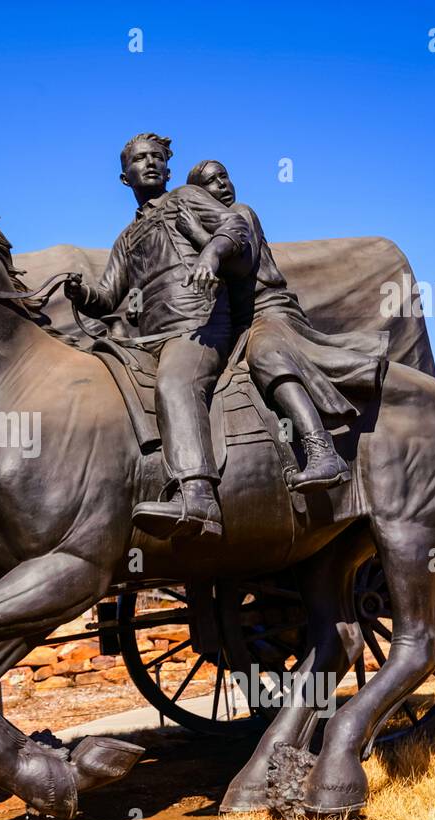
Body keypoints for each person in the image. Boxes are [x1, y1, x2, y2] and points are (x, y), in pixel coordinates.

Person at [65, 133, 250, 540]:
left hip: (199, 329)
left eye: (156, 158)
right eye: (138, 159)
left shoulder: (185, 197)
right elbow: (108, 296)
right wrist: (81, 293)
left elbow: (235, 224)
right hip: (149, 339)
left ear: (167, 168)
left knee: (176, 382)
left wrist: (211, 253)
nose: (149, 164)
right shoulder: (125, 239)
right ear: (123, 177)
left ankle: (199, 496)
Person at [184, 159, 389, 489]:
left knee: (265, 354)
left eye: (224, 177)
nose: (222, 184)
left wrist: (197, 235)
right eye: (211, 182)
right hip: (237, 326)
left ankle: (322, 451)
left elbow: (240, 266)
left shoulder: (240, 213)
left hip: (269, 311)